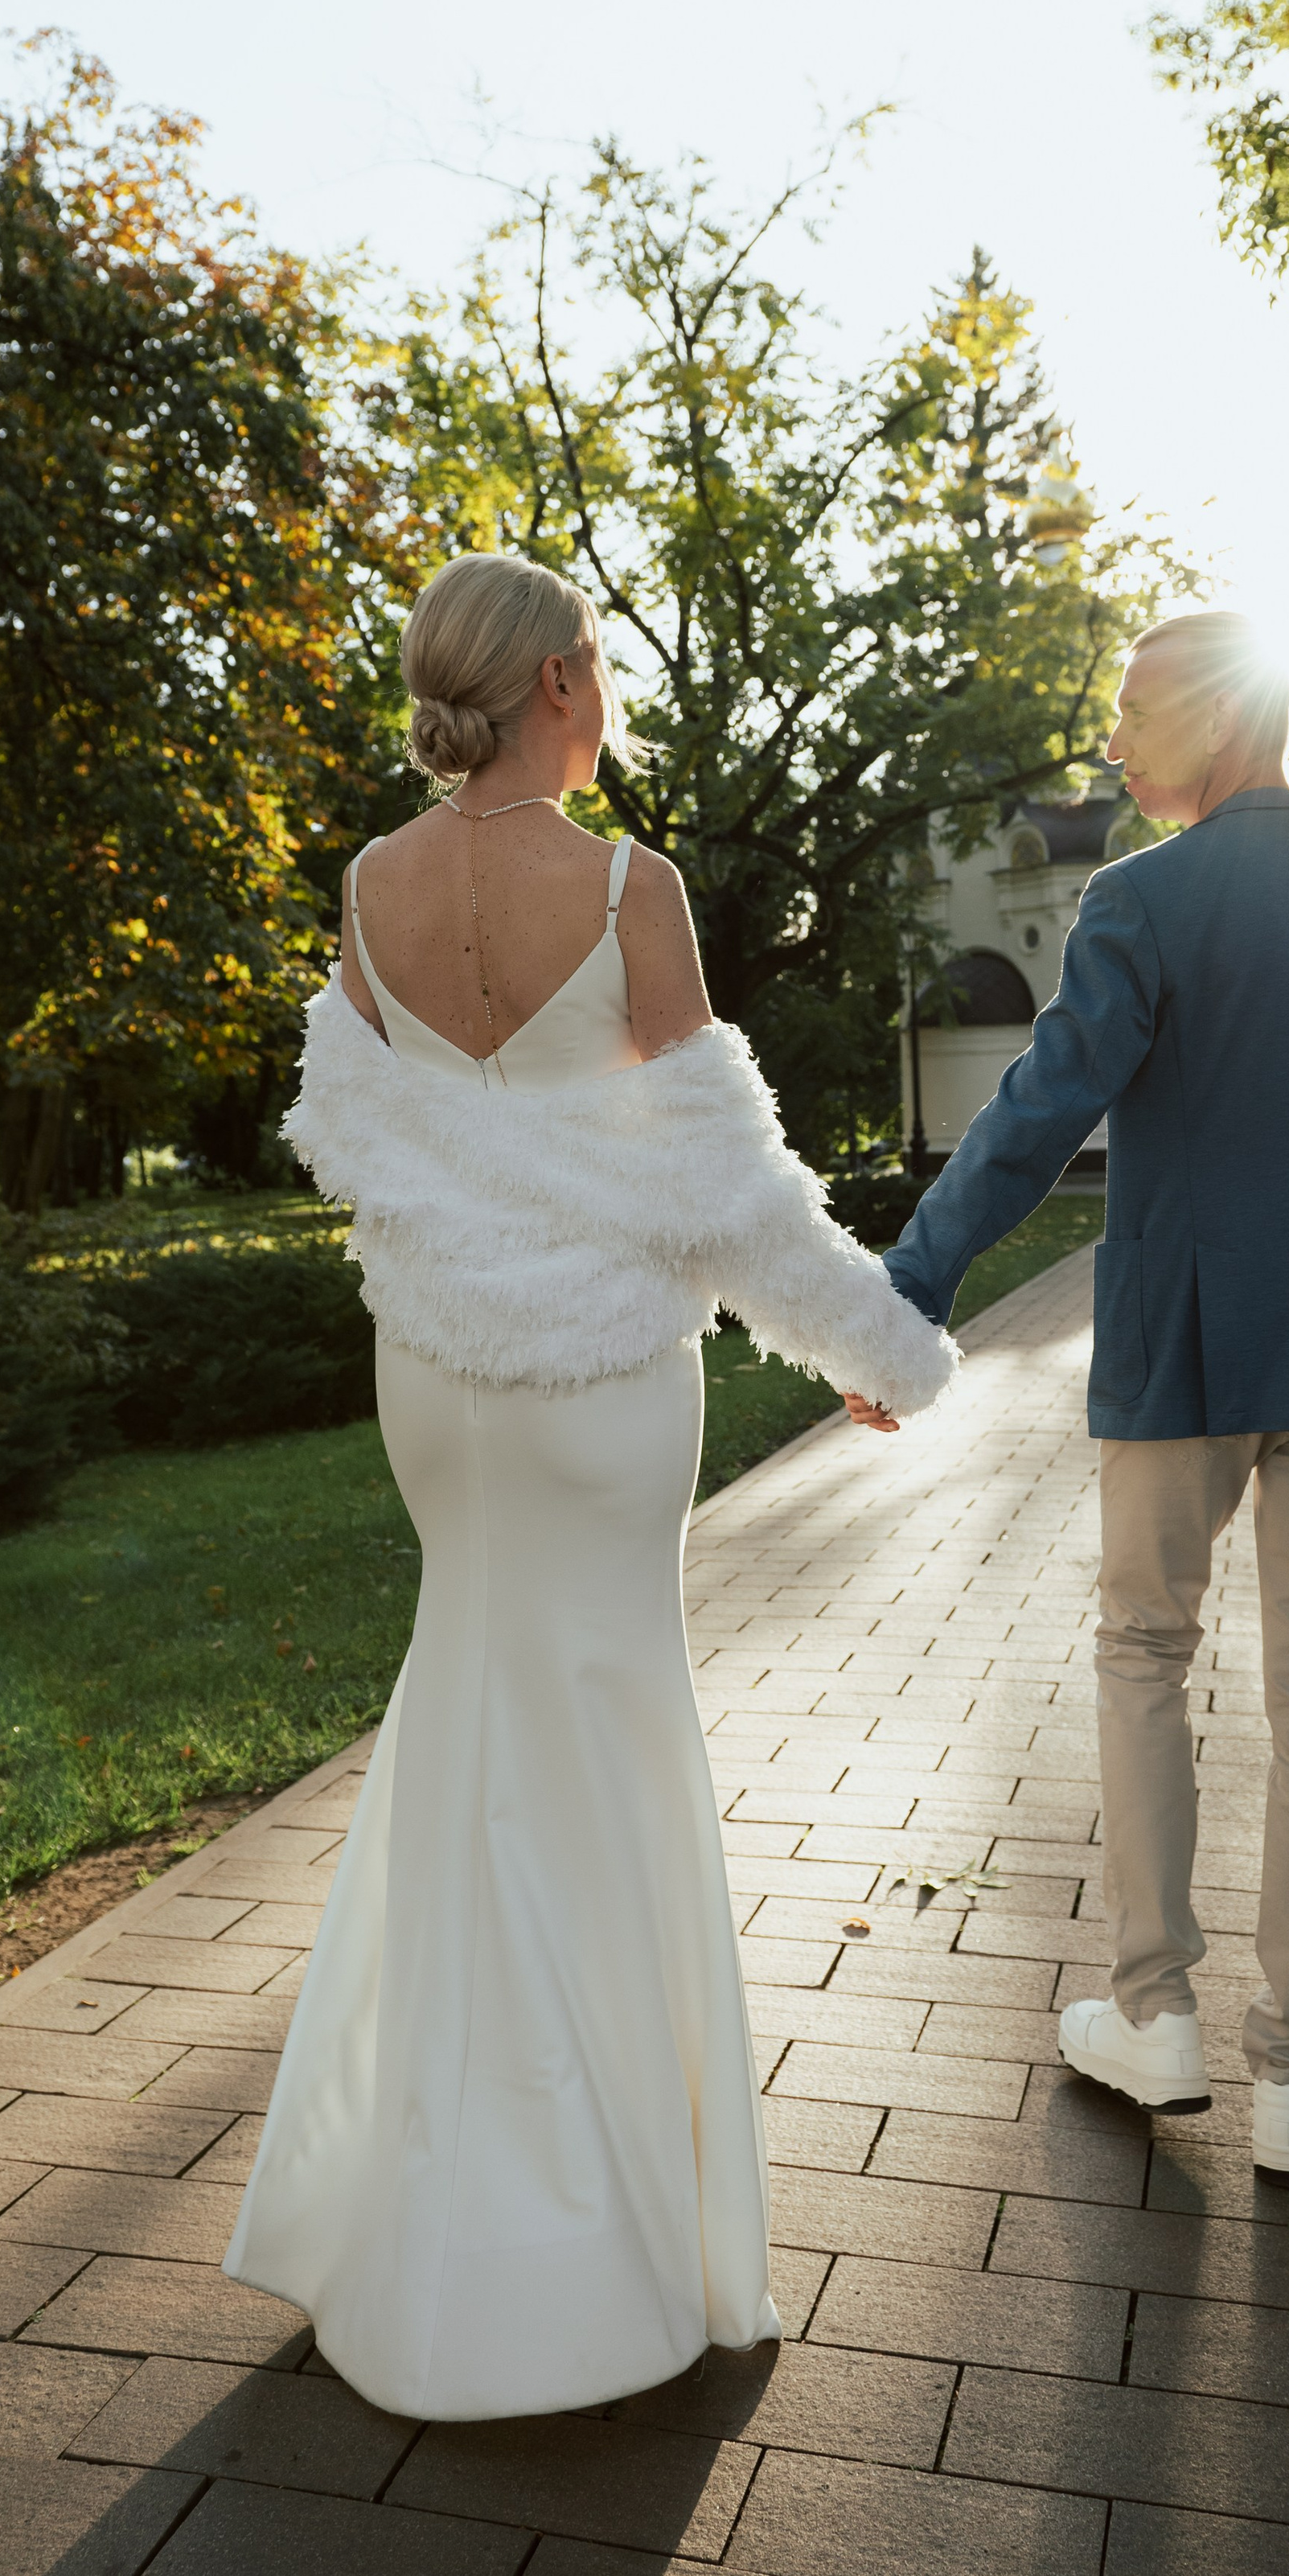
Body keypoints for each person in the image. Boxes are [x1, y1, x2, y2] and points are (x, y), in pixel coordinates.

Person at [224, 552, 956, 2417]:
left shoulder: (372, 886)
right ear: (558, 680)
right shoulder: (632, 886)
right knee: (606, 1739)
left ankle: (415, 2225)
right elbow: (727, 1188)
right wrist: (887, 1351)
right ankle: (594, 2258)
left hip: (436, 1387)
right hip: (597, 1383)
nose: (607, 685)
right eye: (601, 663)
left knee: (463, 1715)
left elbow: (372, 1145)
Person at [881, 609, 1289, 2186]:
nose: (1112, 740)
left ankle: (1151, 2015)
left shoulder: (1139, 897)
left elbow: (1039, 1107)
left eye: (1133, 708)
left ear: (1215, 716)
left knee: (1143, 1653)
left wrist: (909, 1281)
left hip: (1183, 1350)